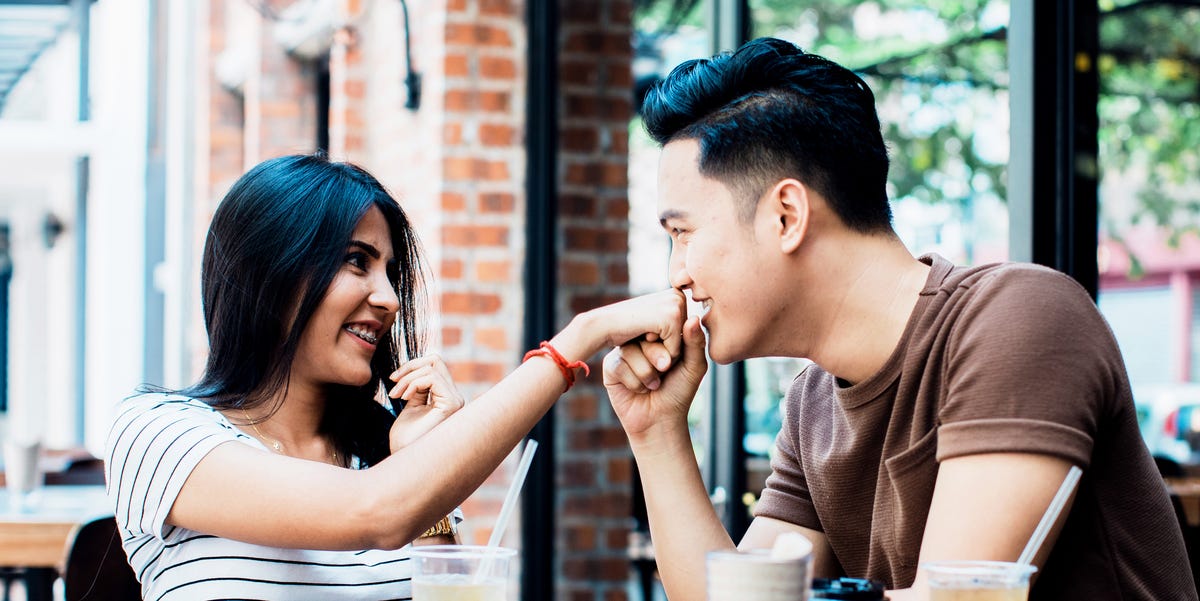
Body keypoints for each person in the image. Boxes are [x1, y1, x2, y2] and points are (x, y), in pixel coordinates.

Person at [601, 37, 1196, 600]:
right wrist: (657, 435)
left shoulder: (1017, 319)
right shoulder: (813, 404)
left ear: (786, 215)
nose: (675, 273)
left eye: (681, 234)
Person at [104, 153, 686, 600]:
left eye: (390, 271)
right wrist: (573, 346)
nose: (387, 299)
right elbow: (374, 513)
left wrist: (414, 461)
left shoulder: (392, 465)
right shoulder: (159, 434)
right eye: (356, 261)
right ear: (269, 273)